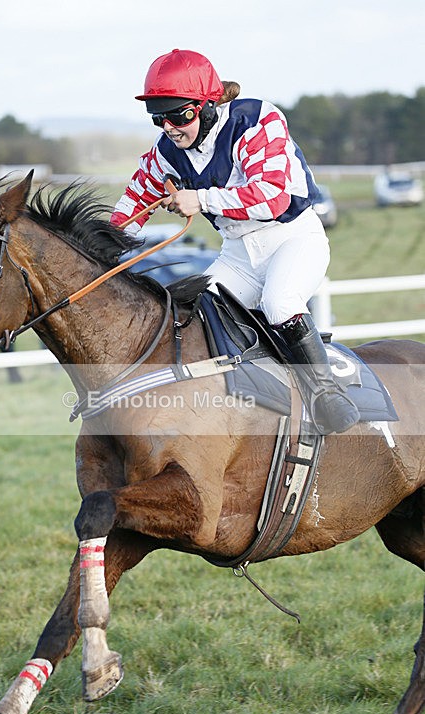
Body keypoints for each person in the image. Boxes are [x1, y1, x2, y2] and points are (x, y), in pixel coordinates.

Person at [111, 48, 359, 434]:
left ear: (208, 106)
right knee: (195, 315)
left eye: (179, 115)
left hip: (293, 238)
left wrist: (200, 199)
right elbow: (132, 204)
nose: (169, 128)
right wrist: (100, 247)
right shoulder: (166, 153)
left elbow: (273, 197)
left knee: (280, 302)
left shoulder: (256, 120)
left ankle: (327, 394)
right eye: (158, 118)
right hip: (238, 254)